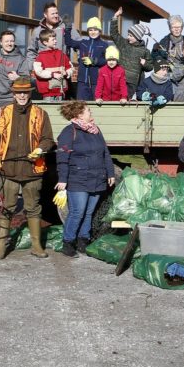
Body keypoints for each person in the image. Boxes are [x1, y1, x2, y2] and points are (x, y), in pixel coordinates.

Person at [0, 76, 54, 260]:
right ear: (13, 94)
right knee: (6, 208)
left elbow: (48, 139)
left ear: (30, 93)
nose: (22, 95)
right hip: (9, 170)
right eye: (18, 92)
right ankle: (0, 246)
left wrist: (41, 149)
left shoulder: (41, 113)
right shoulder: (3, 112)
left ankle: (36, 245)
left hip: (32, 171)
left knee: (33, 208)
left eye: (25, 92)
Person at [55, 101, 116, 258]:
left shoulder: (96, 131)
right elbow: (63, 156)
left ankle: (83, 241)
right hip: (78, 179)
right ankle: (68, 242)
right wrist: (62, 179)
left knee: (89, 212)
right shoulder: (69, 132)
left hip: (97, 178)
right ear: (79, 114)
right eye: (89, 111)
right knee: (77, 212)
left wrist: (110, 173)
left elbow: (105, 153)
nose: (91, 113)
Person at [0, 30, 29, 135]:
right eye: (7, 41)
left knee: (8, 133)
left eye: (12, 41)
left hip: (10, 100)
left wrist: (17, 78)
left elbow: (27, 80)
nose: (9, 44)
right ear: (1, 42)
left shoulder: (20, 59)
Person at [64, 17, 109, 100]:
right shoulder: (83, 43)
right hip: (82, 81)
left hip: (96, 81)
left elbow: (108, 61)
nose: (93, 32)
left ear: (99, 31)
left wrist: (94, 61)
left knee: (96, 106)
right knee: (81, 106)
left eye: (95, 30)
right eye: (90, 30)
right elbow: (68, 42)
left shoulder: (104, 45)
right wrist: (68, 29)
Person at [111, 7, 152, 98]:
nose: (128, 37)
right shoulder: (124, 44)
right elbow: (114, 34)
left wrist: (145, 63)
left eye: (131, 35)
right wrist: (115, 17)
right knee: (115, 99)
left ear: (137, 37)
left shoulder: (145, 51)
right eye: (128, 34)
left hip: (132, 82)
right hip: (119, 78)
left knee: (125, 100)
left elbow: (150, 67)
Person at [33, 29, 72, 101]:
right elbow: (39, 72)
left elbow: (70, 67)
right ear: (45, 42)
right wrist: (53, 75)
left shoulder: (61, 54)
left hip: (61, 91)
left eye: (55, 39)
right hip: (48, 92)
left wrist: (66, 73)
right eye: (53, 40)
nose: (56, 41)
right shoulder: (40, 57)